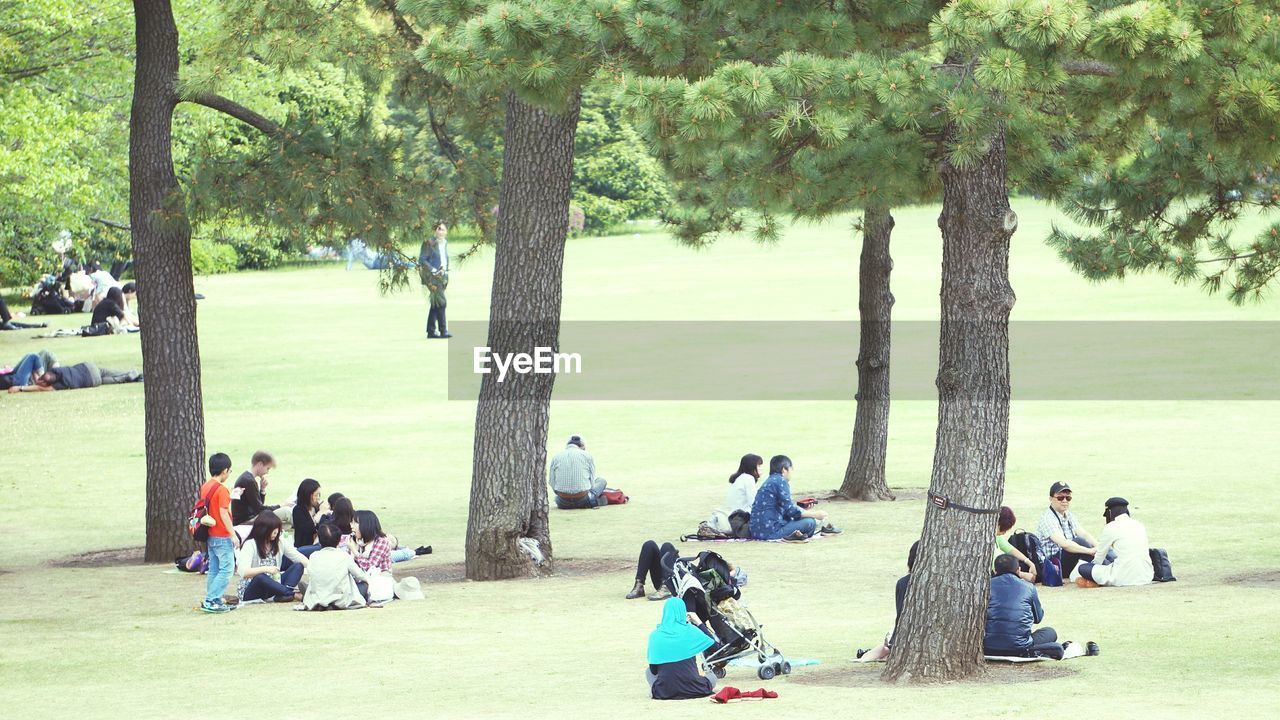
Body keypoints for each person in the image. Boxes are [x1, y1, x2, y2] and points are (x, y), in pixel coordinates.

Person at [984, 554, 1097, 659]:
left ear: (995, 570)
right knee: (1050, 632)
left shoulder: (985, 586)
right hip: (1019, 646)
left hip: (987, 646)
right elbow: (1038, 618)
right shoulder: (1028, 587)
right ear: (1018, 570)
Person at [747, 455, 839, 541]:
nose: (792, 472)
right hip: (770, 533)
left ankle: (799, 533)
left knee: (802, 520)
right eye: (791, 468)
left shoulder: (771, 481)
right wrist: (815, 514)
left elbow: (785, 509)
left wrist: (803, 510)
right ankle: (798, 536)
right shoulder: (780, 481)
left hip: (757, 531)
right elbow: (790, 510)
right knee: (810, 522)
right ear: (784, 470)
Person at [856, 540, 918, 662]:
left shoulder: (902, 583)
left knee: (887, 644)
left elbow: (901, 614)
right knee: (887, 644)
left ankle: (874, 654)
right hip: (905, 635)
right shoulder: (905, 583)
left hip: (901, 635)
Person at [645, 597, 718, 700]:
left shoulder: (655, 636)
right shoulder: (690, 631)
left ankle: (656, 690)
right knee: (712, 677)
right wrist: (698, 622)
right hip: (695, 688)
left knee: (648, 672)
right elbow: (714, 646)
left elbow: (653, 670)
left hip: (665, 690)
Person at [1076, 497, 1153, 587]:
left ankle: (1093, 581)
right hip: (1146, 576)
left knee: (1083, 568)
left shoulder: (1110, 527)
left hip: (1124, 578)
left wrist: (1093, 569)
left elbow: (1099, 559)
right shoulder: (1139, 525)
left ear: (1110, 512)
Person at [1035, 482, 1104, 580]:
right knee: (1080, 542)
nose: (1064, 501)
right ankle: (1106, 569)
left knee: (1103, 546)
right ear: (1050, 499)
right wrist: (1089, 551)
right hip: (1054, 565)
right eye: (1060, 498)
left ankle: (1113, 564)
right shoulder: (1047, 518)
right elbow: (1064, 544)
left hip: (1068, 557)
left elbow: (1084, 534)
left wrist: (1098, 547)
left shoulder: (1069, 515)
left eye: (1068, 498)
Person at [235, 511, 308, 604]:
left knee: (298, 566)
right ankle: (293, 595)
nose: (275, 533)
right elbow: (243, 572)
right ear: (263, 530)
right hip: (252, 588)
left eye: (277, 530)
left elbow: (297, 556)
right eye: (273, 531)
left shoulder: (279, 542)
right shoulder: (250, 544)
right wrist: (266, 569)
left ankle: (283, 595)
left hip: (275, 583)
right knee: (261, 577)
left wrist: (315, 568)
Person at [299, 523, 369, 611]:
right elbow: (360, 575)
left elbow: (311, 574)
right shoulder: (344, 555)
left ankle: (316, 598)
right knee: (363, 586)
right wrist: (369, 581)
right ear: (339, 540)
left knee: (315, 587)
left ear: (320, 541)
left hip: (319, 595)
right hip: (340, 597)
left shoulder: (313, 556)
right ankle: (332, 602)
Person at [199, 453, 238, 613]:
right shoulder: (222, 489)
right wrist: (233, 535)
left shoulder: (206, 486)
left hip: (210, 535)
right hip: (222, 535)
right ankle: (211, 599)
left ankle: (214, 598)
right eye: (229, 471)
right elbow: (223, 513)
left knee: (214, 568)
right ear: (225, 470)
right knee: (227, 569)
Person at [548, 435, 609, 509]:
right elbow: (591, 484)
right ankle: (593, 500)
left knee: (556, 498)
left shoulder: (556, 457)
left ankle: (592, 500)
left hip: (562, 502)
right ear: (582, 446)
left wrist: (561, 493)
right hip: (583, 499)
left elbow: (551, 481)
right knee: (601, 481)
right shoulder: (587, 456)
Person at [707, 454, 762, 534]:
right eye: (759, 466)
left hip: (730, 517)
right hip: (736, 519)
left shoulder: (740, 478)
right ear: (752, 467)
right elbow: (754, 503)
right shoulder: (748, 478)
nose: (761, 469)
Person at [8, 362, 142, 393]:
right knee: (111, 372)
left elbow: (42, 388)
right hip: (88, 366)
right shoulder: (59, 370)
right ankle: (132, 373)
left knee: (113, 380)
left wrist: (21, 388)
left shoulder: (61, 384)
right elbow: (45, 379)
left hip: (92, 380)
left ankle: (129, 376)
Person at [418, 220, 451, 339]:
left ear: (446, 231)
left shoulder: (445, 243)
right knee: (442, 302)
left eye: (442, 229)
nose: (440, 231)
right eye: (438, 229)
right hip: (432, 277)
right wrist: (433, 270)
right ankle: (443, 331)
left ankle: (431, 331)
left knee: (435, 304)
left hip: (442, 276)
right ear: (434, 230)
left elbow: (444, 260)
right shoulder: (429, 243)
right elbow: (422, 260)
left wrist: (445, 274)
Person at [231, 451, 279, 527]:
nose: (267, 472)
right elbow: (260, 510)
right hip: (244, 522)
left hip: (247, 519)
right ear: (260, 464)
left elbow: (258, 505)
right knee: (285, 513)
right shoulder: (249, 481)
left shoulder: (247, 478)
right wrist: (280, 506)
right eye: (267, 468)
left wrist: (262, 489)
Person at [995, 506, 1037, 583]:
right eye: (1003, 529)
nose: (1004, 532)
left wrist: (1029, 562)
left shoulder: (997, 536)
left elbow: (1010, 549)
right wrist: (1021, 574)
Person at [291, 478, 325, 551]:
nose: (318, 498)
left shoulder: (315, 508)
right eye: (316, 495)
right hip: (303, 548)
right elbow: (309, 529)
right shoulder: (298, 510)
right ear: (307, 495)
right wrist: (320, 514)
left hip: (317, 545)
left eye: (319, 494)